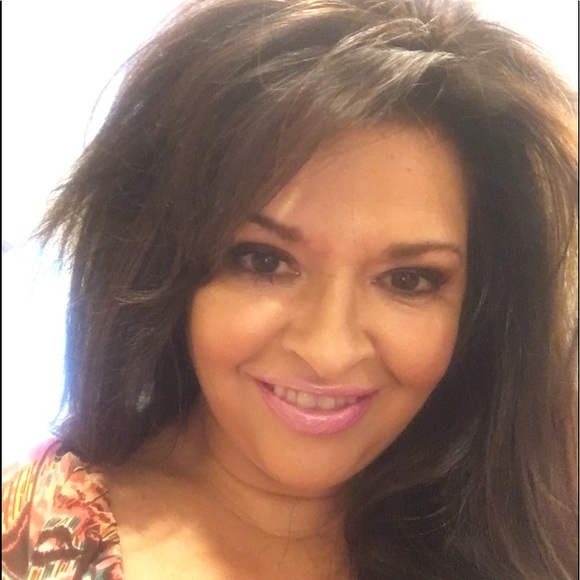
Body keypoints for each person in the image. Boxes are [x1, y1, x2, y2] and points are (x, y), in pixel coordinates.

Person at [2, 0, 577, 578]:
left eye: (408, 280)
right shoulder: (31, 543)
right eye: (265, 261)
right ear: (162, 269)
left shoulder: (534, 536)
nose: (329, 352)